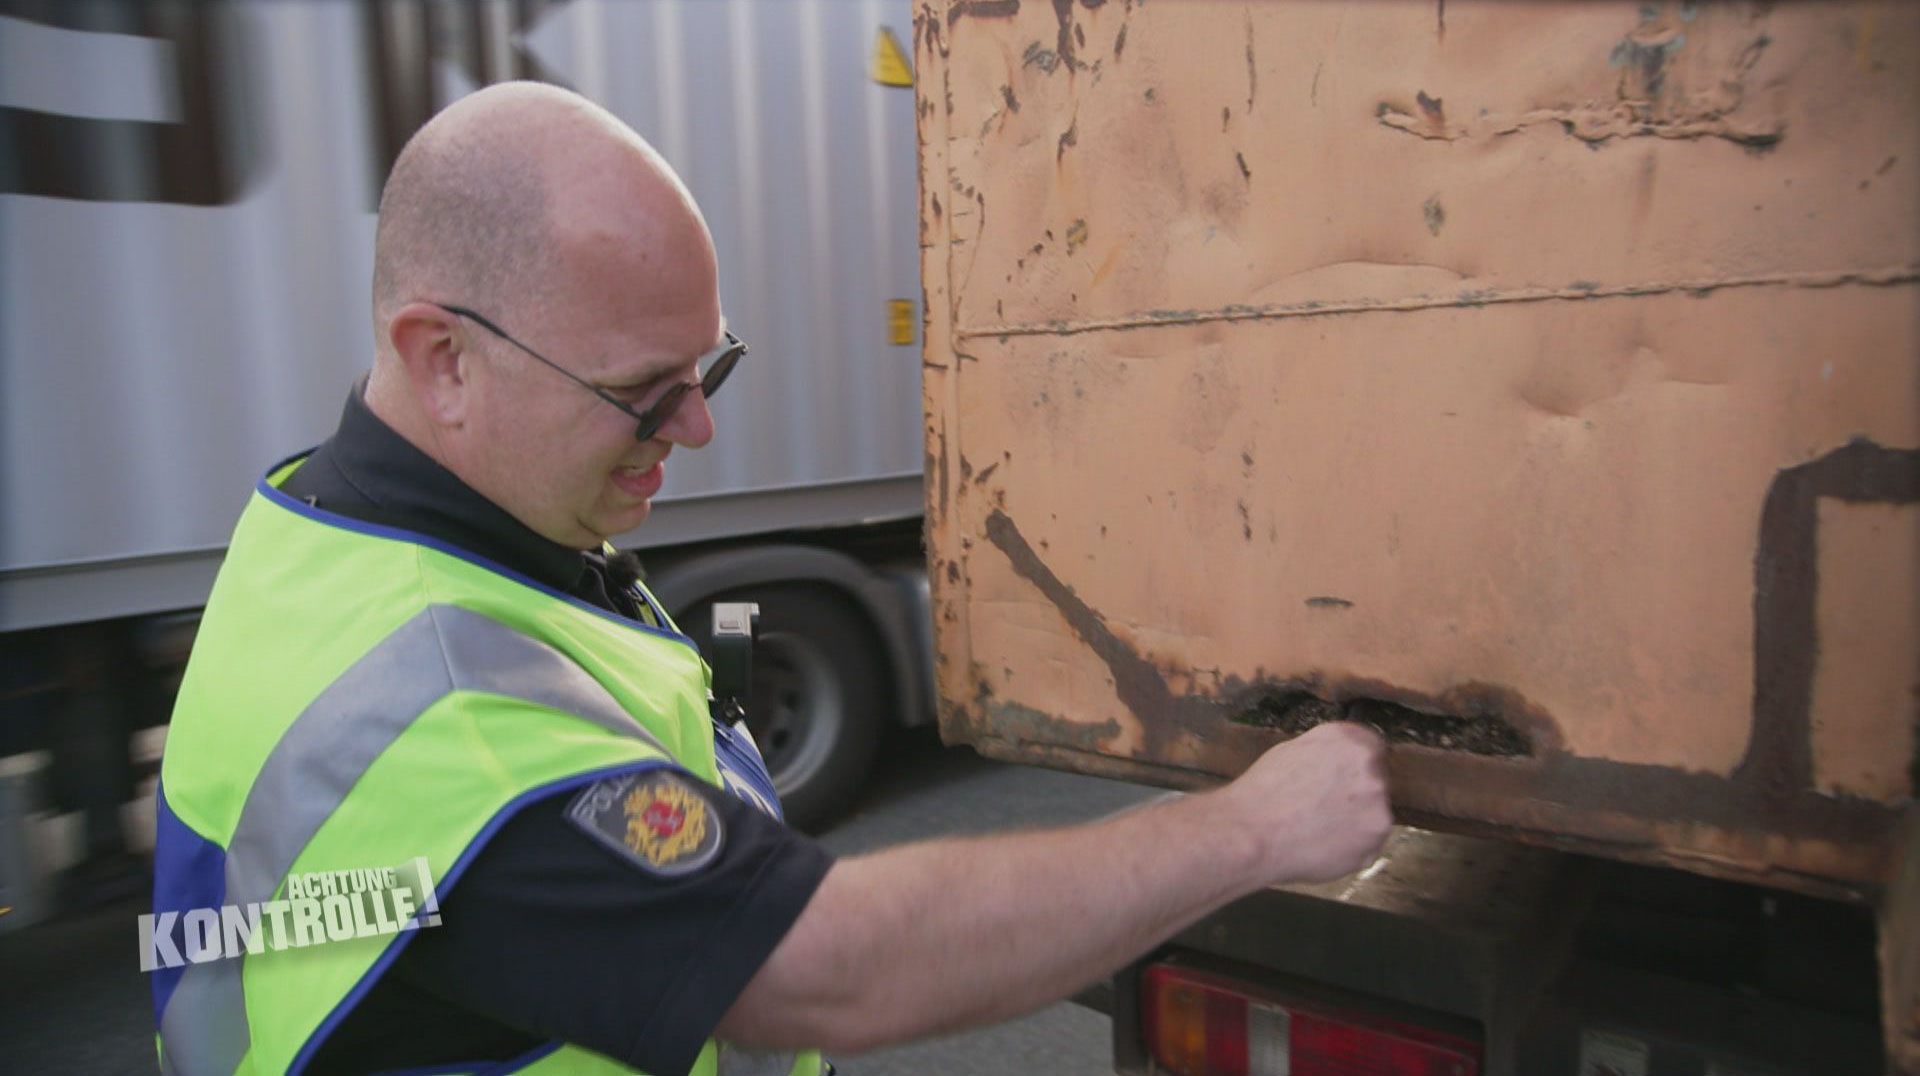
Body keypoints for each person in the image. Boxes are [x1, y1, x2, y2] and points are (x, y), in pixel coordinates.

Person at [151, 82, 1391, 1076]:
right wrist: (1254, 828)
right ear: (446, 362)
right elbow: (831, 964)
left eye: (713, 369)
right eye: (643, 394)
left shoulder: (346, 531)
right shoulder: (436, 716)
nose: (695, 430)